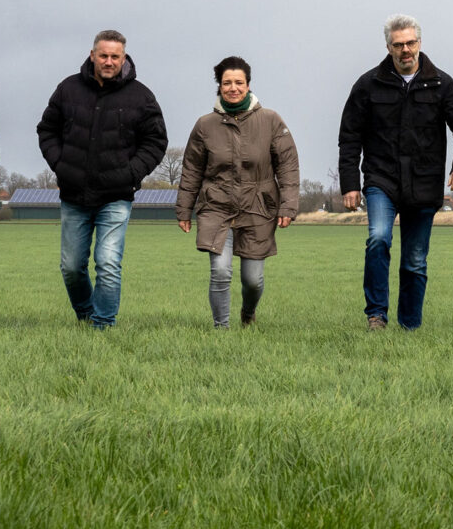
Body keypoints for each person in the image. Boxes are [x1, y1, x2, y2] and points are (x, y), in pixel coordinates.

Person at [338, 16, 453, 332]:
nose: (405, 50)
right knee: (378, 238)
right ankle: (376, 315)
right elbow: (349, 136)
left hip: (424, 182)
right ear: (388, 47)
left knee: (415, 259)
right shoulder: (368, 84)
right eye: (398, 44)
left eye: (410, 43)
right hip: (381, 179)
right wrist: (350, 184)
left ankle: (410, 325)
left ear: (420, 43)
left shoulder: (441, 84)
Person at [36, 30, 168, 328]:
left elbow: (156, 142)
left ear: (124, 58)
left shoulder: (141, 96)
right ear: (92, 55)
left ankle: (103, 325)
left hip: (116, 196)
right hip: (73, 194)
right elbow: (47, 130)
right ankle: (86, 315)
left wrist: (131, 174)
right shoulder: (68, 89)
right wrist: (60, 165)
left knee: (107, 263)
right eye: (104, 55)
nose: (109, 61)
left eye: (115, 56)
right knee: (71, 267)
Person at [175, 56, 301, 329]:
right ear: (219, 87)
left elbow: (288, 166)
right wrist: (184, 209)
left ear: (248, 85)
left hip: (258, 207)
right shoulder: (204, 125)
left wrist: (288, 206)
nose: (233, 88)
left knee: (252, 280)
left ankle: (248, 313)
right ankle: (221, 329)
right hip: (216, 206)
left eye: (239, 82)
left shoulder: (271, 120)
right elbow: (192, 170)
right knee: (220, 272)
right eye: (226, 83)